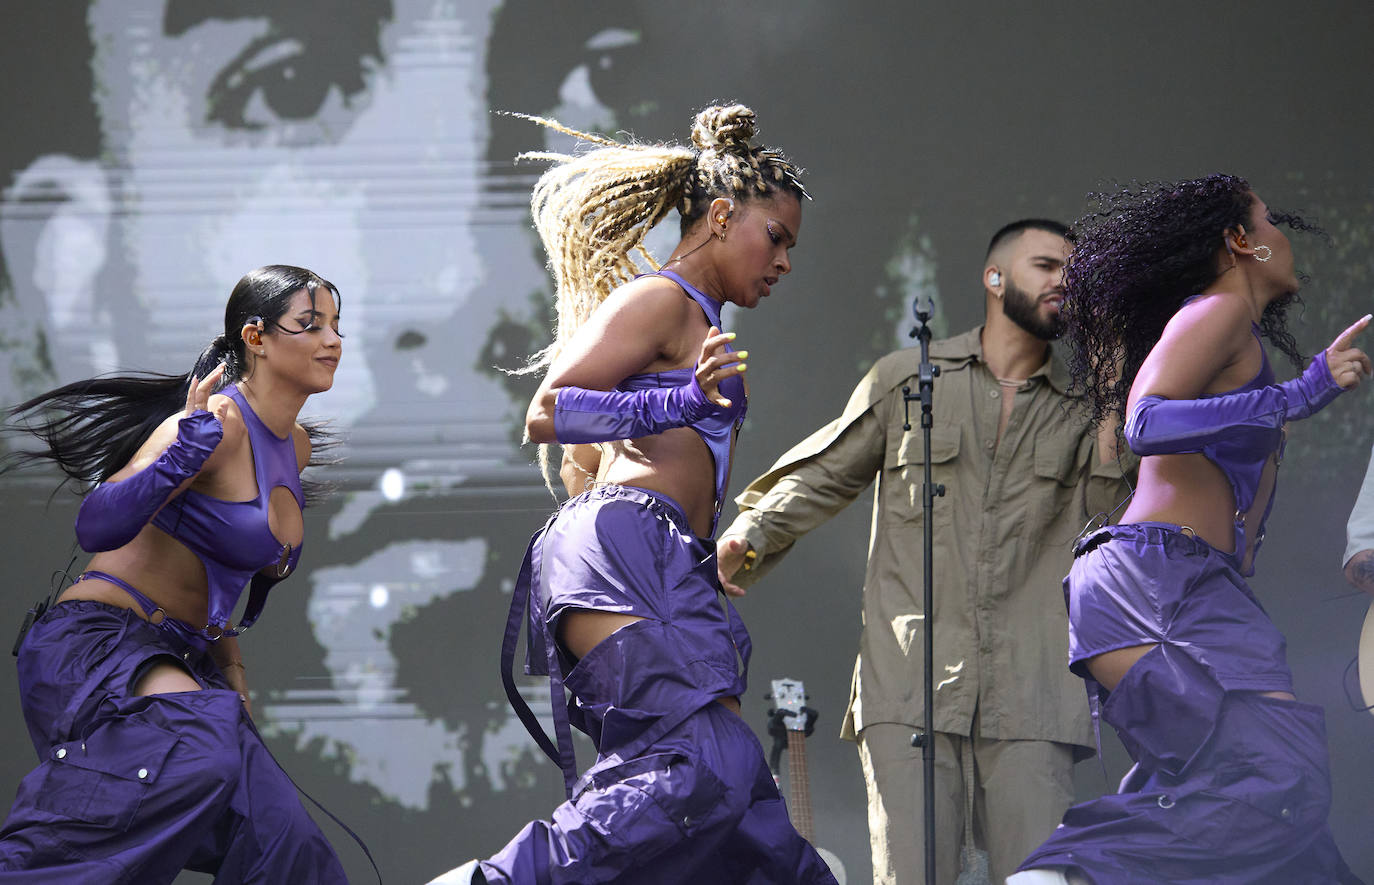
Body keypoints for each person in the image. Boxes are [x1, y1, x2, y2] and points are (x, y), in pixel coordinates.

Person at [426, 103, 836, 885]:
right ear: (721, 216)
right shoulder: (661, 301)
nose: (785, 261)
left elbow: (591, 459)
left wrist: (699, 549)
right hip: (624, 546)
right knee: (705, 766)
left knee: (751, 822)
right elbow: (548, 412)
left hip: (657, 560)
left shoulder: (702, 329)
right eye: (775, 237)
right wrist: (675, 406)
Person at [715, 219, 1135, 885]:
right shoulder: (908, 379)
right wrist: (750, 534)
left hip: (1035, 690)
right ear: (994, 279)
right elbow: (826, 471)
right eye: (1046, 264)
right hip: (908, 682)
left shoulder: (1088, 410)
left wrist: (1115, 392)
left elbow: (1113, 521)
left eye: (1072, 272)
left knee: (1042, 879)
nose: (1064, 280)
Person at [1013, 175, 1367, 884]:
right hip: (1158, 577)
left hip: (1173, 584)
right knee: (1282, 773)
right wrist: (1304, 392)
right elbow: (1144, 424)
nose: (1286, 234)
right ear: (1240, 241)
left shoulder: (1234, 337)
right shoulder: (1219, 311)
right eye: (1271, 220)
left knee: (1282, 832)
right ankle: (1072, 873)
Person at [0, 265, 349, 882]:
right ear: (257, 337)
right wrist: (184, 451)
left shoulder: (294, 446)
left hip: (181, 658)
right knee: (198, 745)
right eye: (310, 324)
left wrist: (232, 675)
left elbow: (221, 575)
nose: (332, 341)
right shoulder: (213, 424)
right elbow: (96, 527)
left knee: (288, 848)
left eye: (337, 326)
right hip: (99, 645)